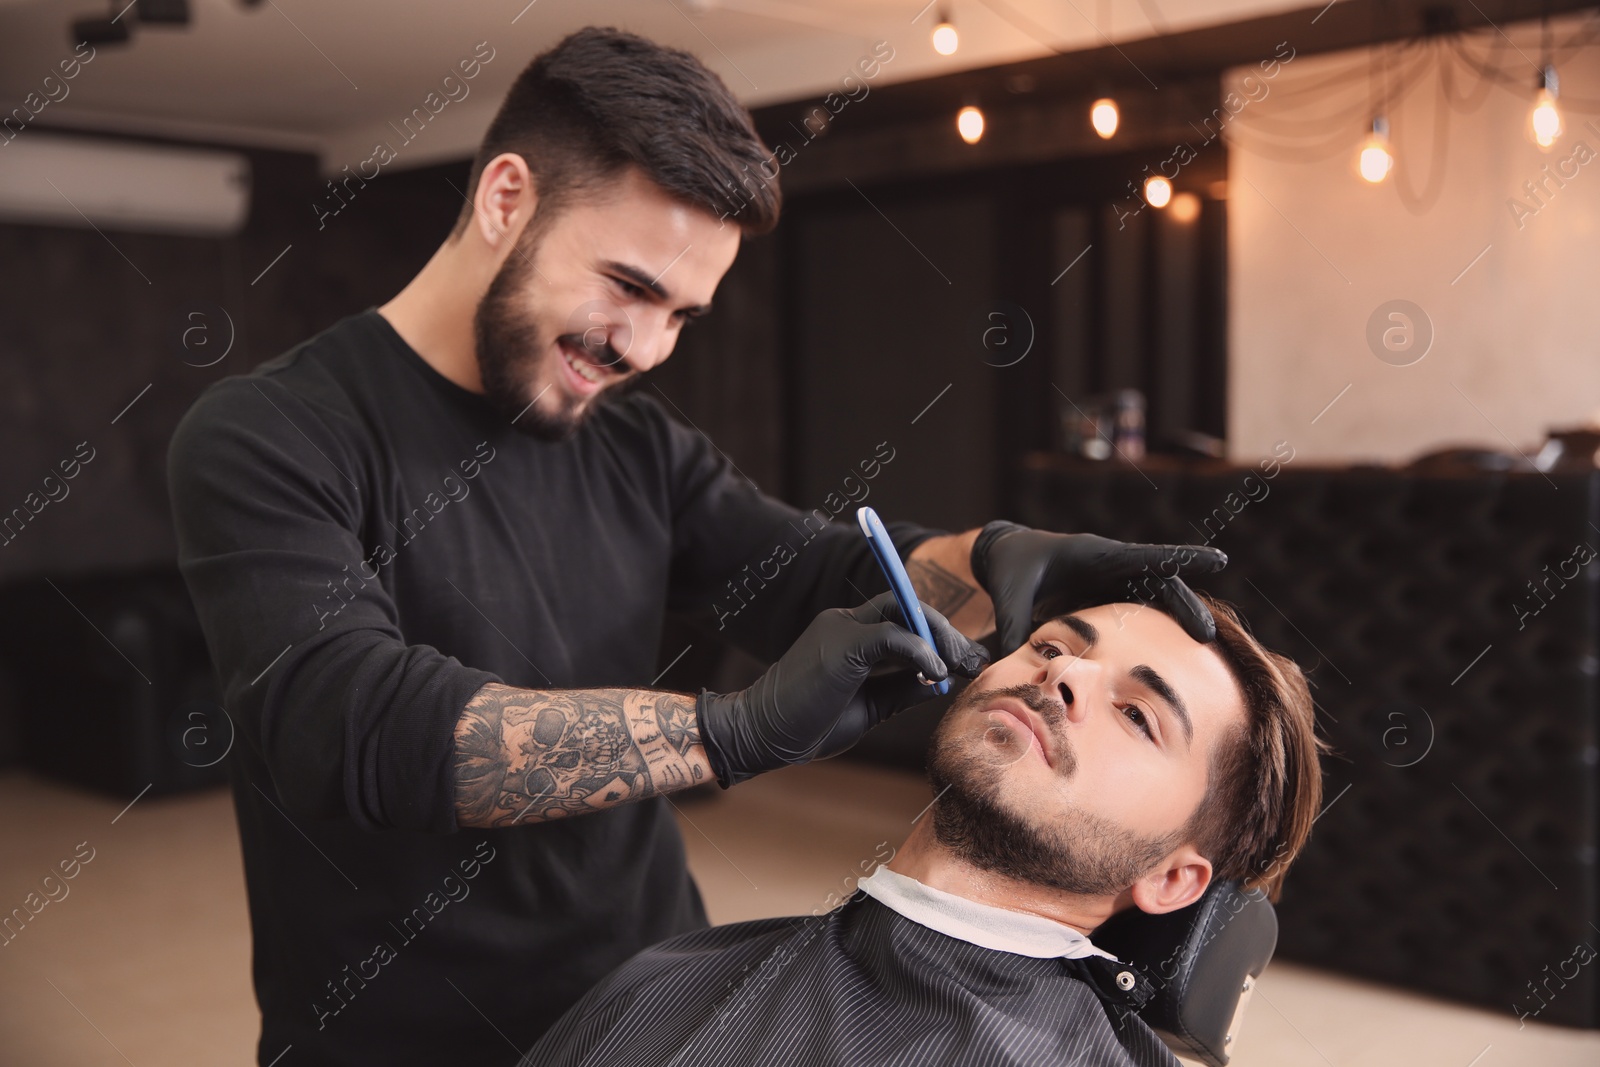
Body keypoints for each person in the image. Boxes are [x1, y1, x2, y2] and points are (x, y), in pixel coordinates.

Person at [165, 26, 1226, 1066]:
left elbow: (806, 572)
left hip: (647, 995)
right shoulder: (271, 432)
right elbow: (344, 721)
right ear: (504, 199)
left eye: (683, 313)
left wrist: (991, 556)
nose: (641, 348)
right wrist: (731, 730)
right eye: (627, 285)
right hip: (400, 1023)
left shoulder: (630, 437)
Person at [520, 596, 1329, 1067]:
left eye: (1137, 713)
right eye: (1050, 643)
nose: (1065, 671)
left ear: (1173, 879)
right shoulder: (671, 973)